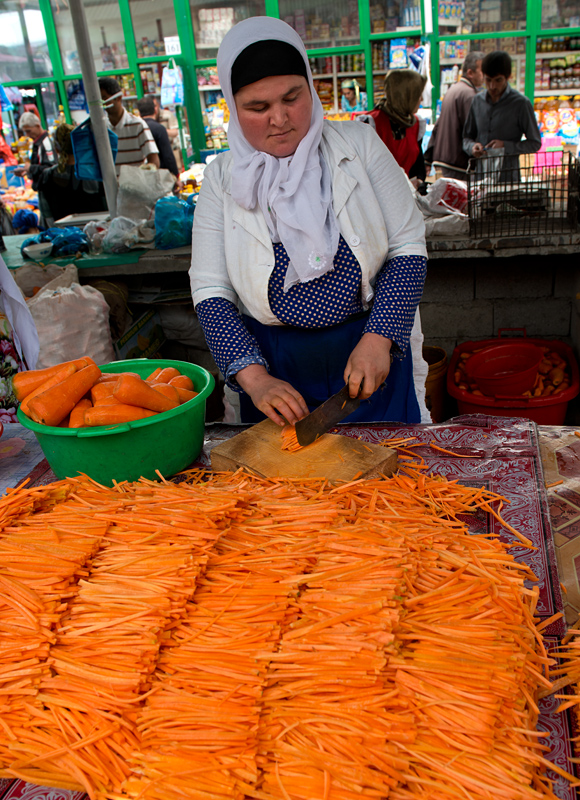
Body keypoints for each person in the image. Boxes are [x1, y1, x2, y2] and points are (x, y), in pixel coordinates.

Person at [190, 17, 429, 427]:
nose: (280, 119)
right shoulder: (221, 180)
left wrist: (379, 337)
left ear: (310, 88)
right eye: (257, 107)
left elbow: (408, 246)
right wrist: (255, 378)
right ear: (233, 107)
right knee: (289, 488)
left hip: (370, 354)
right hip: (275, 370)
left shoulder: (359, 145)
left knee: (392, 477)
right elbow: (211, 289)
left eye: (291, 97)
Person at [463, 51, 541, 182]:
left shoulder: (521, 104)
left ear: (508, 77)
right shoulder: (477, 101)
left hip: (508, 179)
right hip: (480, 179)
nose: (492, 86)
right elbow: (466, 138)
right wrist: (472, 147)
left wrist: (506, 146)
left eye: (498, 80)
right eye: (488, 80)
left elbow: (535, 143)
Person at [360, 69, 427, 188]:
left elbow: (418, 168)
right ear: (405, 95)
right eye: (418, 94)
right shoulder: (371, 123)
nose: (421, 99)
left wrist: (418, 182)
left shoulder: (415, 124)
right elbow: (362, 171)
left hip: (407, 197)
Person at [425, 51, 485, 181]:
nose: (484, 76)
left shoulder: (453, 90)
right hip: (458, 161)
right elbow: (474, 130)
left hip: (446, 159)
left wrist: (428, 157)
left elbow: (438, 125)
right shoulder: (469, 95)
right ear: (470, 73)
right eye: (482, 71)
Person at [35, 124, 107, 226]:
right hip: (96, 235)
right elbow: (108, 210)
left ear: (56, 149)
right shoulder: (96, 174)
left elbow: (47, 217)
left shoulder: (47, 177)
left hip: (62, 237)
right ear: (79, 146)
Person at [98, 78, 160, 173]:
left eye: (105, 98)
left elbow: (154, 160)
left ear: (118, 98)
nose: (103, 104)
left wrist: (144, 175)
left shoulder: (138, 125)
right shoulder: (101, 128)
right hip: (111, 187)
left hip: (136, 186)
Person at [136, 96, 179, 177]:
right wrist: (175, 175)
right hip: (161, 175)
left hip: (141, 175)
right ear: (155, 110)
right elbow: (168, 155)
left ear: (139, 113)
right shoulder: (159, 129)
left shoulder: (136, 128)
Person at [13, 112, 56, 191]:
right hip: (43, 189)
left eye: (29, 131)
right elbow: (41, 169)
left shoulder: (46, 143)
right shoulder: (37, 143)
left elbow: (52, 168)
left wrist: (31, 168)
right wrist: (27, 172)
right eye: (25, 132)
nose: (27, 135)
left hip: (50, 191)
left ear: (37, 126)